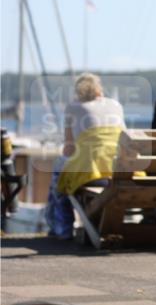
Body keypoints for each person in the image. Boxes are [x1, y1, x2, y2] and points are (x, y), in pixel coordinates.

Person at [49, 73, 127, 237]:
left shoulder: (73, 107)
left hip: (92, 173)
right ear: (99, 89)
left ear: (78, 92)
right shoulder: (116, 105)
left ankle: (63, 229)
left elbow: (68, 150)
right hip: (121, 173)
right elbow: (125, 138)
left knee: (58, 177)